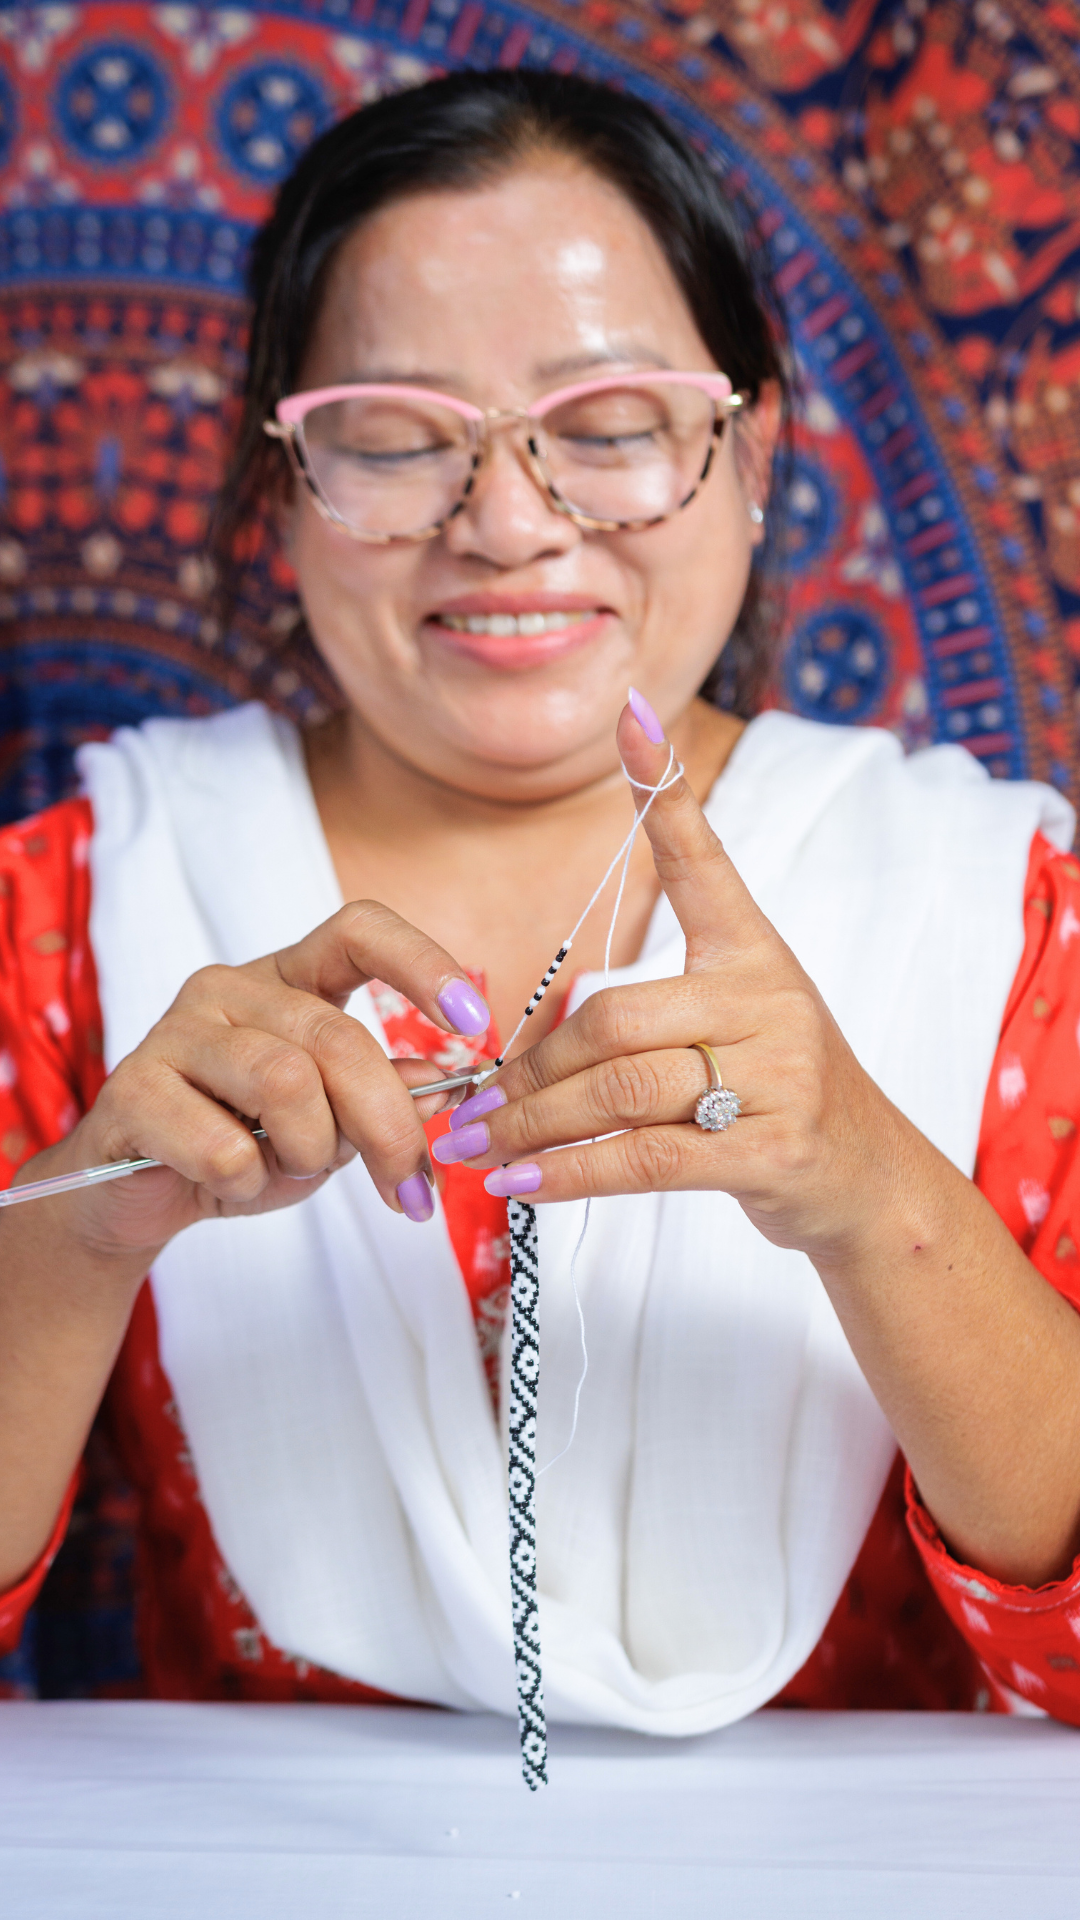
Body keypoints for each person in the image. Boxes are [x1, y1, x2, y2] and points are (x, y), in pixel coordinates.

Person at [2, 69, 1080, 1727]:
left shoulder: (1006, 912)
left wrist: (873, 1191)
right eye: (389, 437)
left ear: (749, 451)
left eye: (611, 425)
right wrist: (83, 1229)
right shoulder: (77, 907)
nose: (507, 524)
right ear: (280, 477)